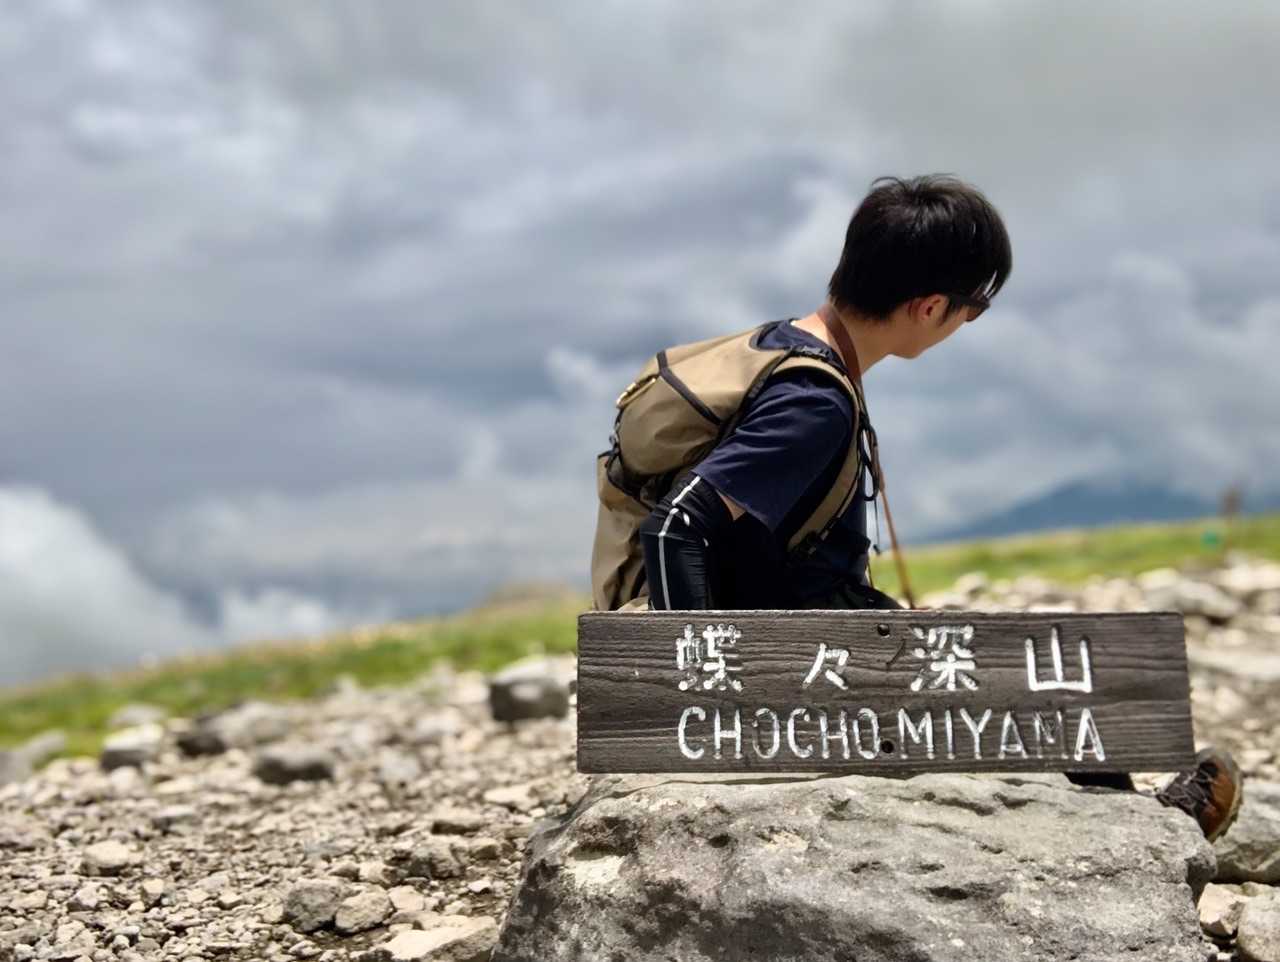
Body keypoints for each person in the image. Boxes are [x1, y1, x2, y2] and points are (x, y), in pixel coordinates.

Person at [636, 173, 1242, 841]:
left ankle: (1142, 829)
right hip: (793, 664)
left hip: (810, 641)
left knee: (1010, 673)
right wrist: (701, 710)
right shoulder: (813, 401)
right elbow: (673, 529)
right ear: (929, 307)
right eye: (972, 309)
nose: (967, 323)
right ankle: (1152, 838)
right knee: (1034, 688)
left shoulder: (782, 347)